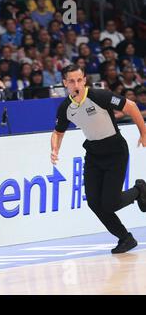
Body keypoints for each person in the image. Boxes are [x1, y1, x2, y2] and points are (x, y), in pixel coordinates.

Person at [51, 64, 146, 254]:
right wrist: (54, 149)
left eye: (79, 80)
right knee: (94, 203)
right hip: (94, 153)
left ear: (84, 80)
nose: (76, 84)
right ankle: (125, 239)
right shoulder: (65, 108)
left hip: (115, 151)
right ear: (64, 84)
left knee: (110, 203)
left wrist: (143, 133)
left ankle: (139, 190)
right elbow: (58, 132)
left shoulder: (99, 96)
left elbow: (132, 107)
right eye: (71, 81)